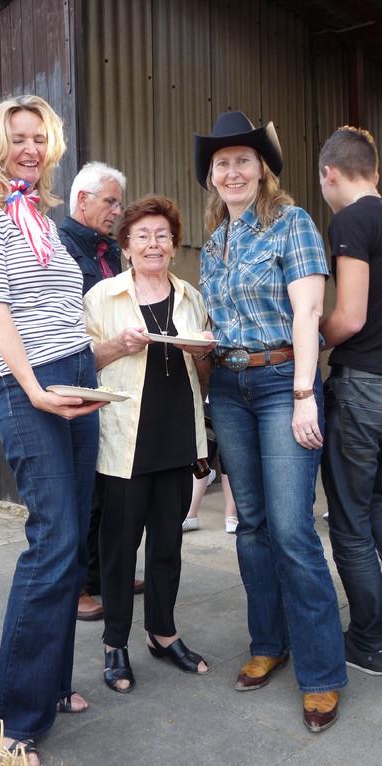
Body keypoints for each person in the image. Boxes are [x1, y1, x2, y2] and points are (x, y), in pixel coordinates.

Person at [0, 95, 107, 766]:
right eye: (17, 137)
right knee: (54, 540)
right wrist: (35, 389)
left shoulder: (39, 217)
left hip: (71, 375)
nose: (30, 148)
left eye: (39, 138)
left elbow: (64, 315)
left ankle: (51, 686)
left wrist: (91, 367)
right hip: (27, 385)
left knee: (74, 544)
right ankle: (9, 722)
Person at [193, 110, 347, 732]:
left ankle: (321, 672)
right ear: (212, 175)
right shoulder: (213, 243)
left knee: (291, 529)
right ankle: (268, 642)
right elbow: (217, 327)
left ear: (263, 170)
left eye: (243, 161)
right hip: (228, 385)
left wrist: (307, 393)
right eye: (221, 163)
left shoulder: (293, 224)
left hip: (286, 380)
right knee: (250, 524)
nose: (232, 171)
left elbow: (308, 313)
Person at [83, 194, 216, 693]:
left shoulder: (190, 297)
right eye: (143, 235)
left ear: (174, 245)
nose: (153, 244)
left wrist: (202, 351)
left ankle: (162, 632)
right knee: (118, 547)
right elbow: (84, 365)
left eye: (162, 235)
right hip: (125, 440)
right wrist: (120, 344)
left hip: (178, 436)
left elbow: (203, 375)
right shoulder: (103, 297)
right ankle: (115, 643)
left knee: (167, 544)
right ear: (127, 246)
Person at [59, 161, 144, 622]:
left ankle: (100, 573)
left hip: (116, 378)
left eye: (118, 202)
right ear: (82, 200)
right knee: (81, 494)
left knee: (109, 487)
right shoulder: (60, 247)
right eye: (109, 201)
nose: (116, 210)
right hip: (78, 376)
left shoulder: (110, 249)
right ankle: (72, 588)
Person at [319, 126, 382, 675]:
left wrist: (311, 334)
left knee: (350, 522)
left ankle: (369, 640)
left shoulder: (351, 221)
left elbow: (351, 316)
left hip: (363, 385)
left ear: (329, 175)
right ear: (377, 172)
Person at [182, 404, 238, 533]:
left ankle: (231, 515)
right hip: (208, 402)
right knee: (202, 458)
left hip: (231, 402)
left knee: (230, 459)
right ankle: (190, 513)